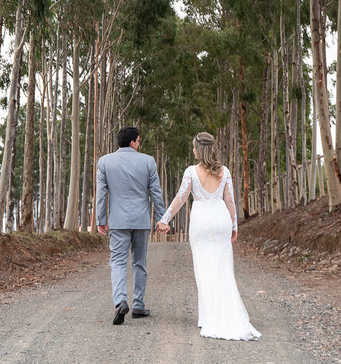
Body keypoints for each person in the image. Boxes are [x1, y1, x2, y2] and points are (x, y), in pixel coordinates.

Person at [156, 132, 261, 341]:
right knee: (223, 267)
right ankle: (215, 314)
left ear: (200, 150)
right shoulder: (225, 172)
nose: (193, 150)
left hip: (202, 222)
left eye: (194, 147)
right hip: (221, 220)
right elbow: (230, 202)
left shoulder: (191, 172)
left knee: (204, 269)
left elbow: (180, 199)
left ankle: (209, 316)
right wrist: (234, 226)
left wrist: (165, 219)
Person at [95, 125, 167, 325]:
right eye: (139, 140)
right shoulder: (148, 161)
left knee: (117, 262)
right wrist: (163, 219)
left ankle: (120, 301)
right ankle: (138, 305)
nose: (139, 143)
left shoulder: (105, 162)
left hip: (118, 222)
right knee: (139, 263)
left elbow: (101, 195)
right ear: (133, 142)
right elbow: (156, 193)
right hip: (141, 221)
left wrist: (101, 220)